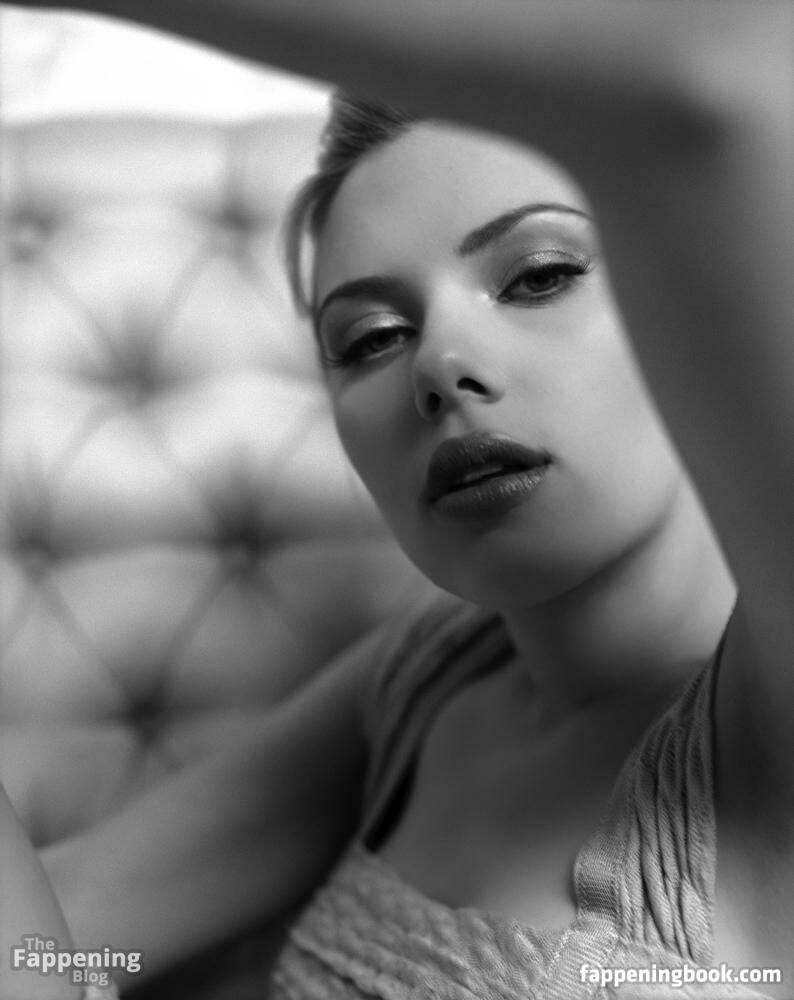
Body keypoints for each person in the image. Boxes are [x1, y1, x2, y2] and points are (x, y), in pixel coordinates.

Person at [2, 2, 792, 997]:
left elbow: (731, 68)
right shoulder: (430, 674)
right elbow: (57, 946)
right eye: (371, 339)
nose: (440, 363)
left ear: (684, 316)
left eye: (539, 276)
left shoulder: (766, 714)